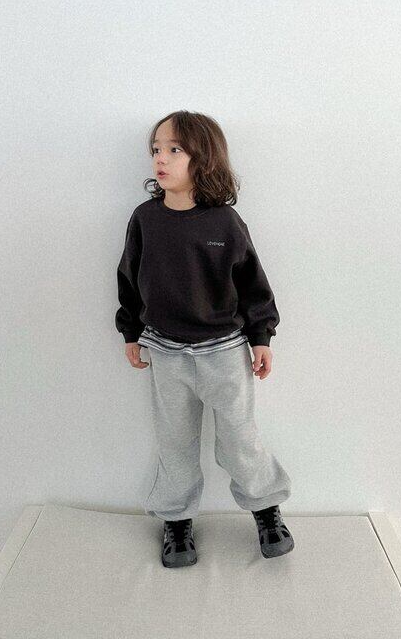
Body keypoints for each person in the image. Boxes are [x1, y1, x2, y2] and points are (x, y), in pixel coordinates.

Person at [115, 110, 294, 568]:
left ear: (204, 158)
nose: (161, 158)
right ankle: (176, 520)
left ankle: (266, 509)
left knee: (239, 439)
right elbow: (129, 279)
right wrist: (131, 331)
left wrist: (261, 336)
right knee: (174, 442)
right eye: (157, 149)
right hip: (166, 353)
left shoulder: (224, 223)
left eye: (175, 149)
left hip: (224, 352)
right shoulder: (145, 220)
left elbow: (253, 284)